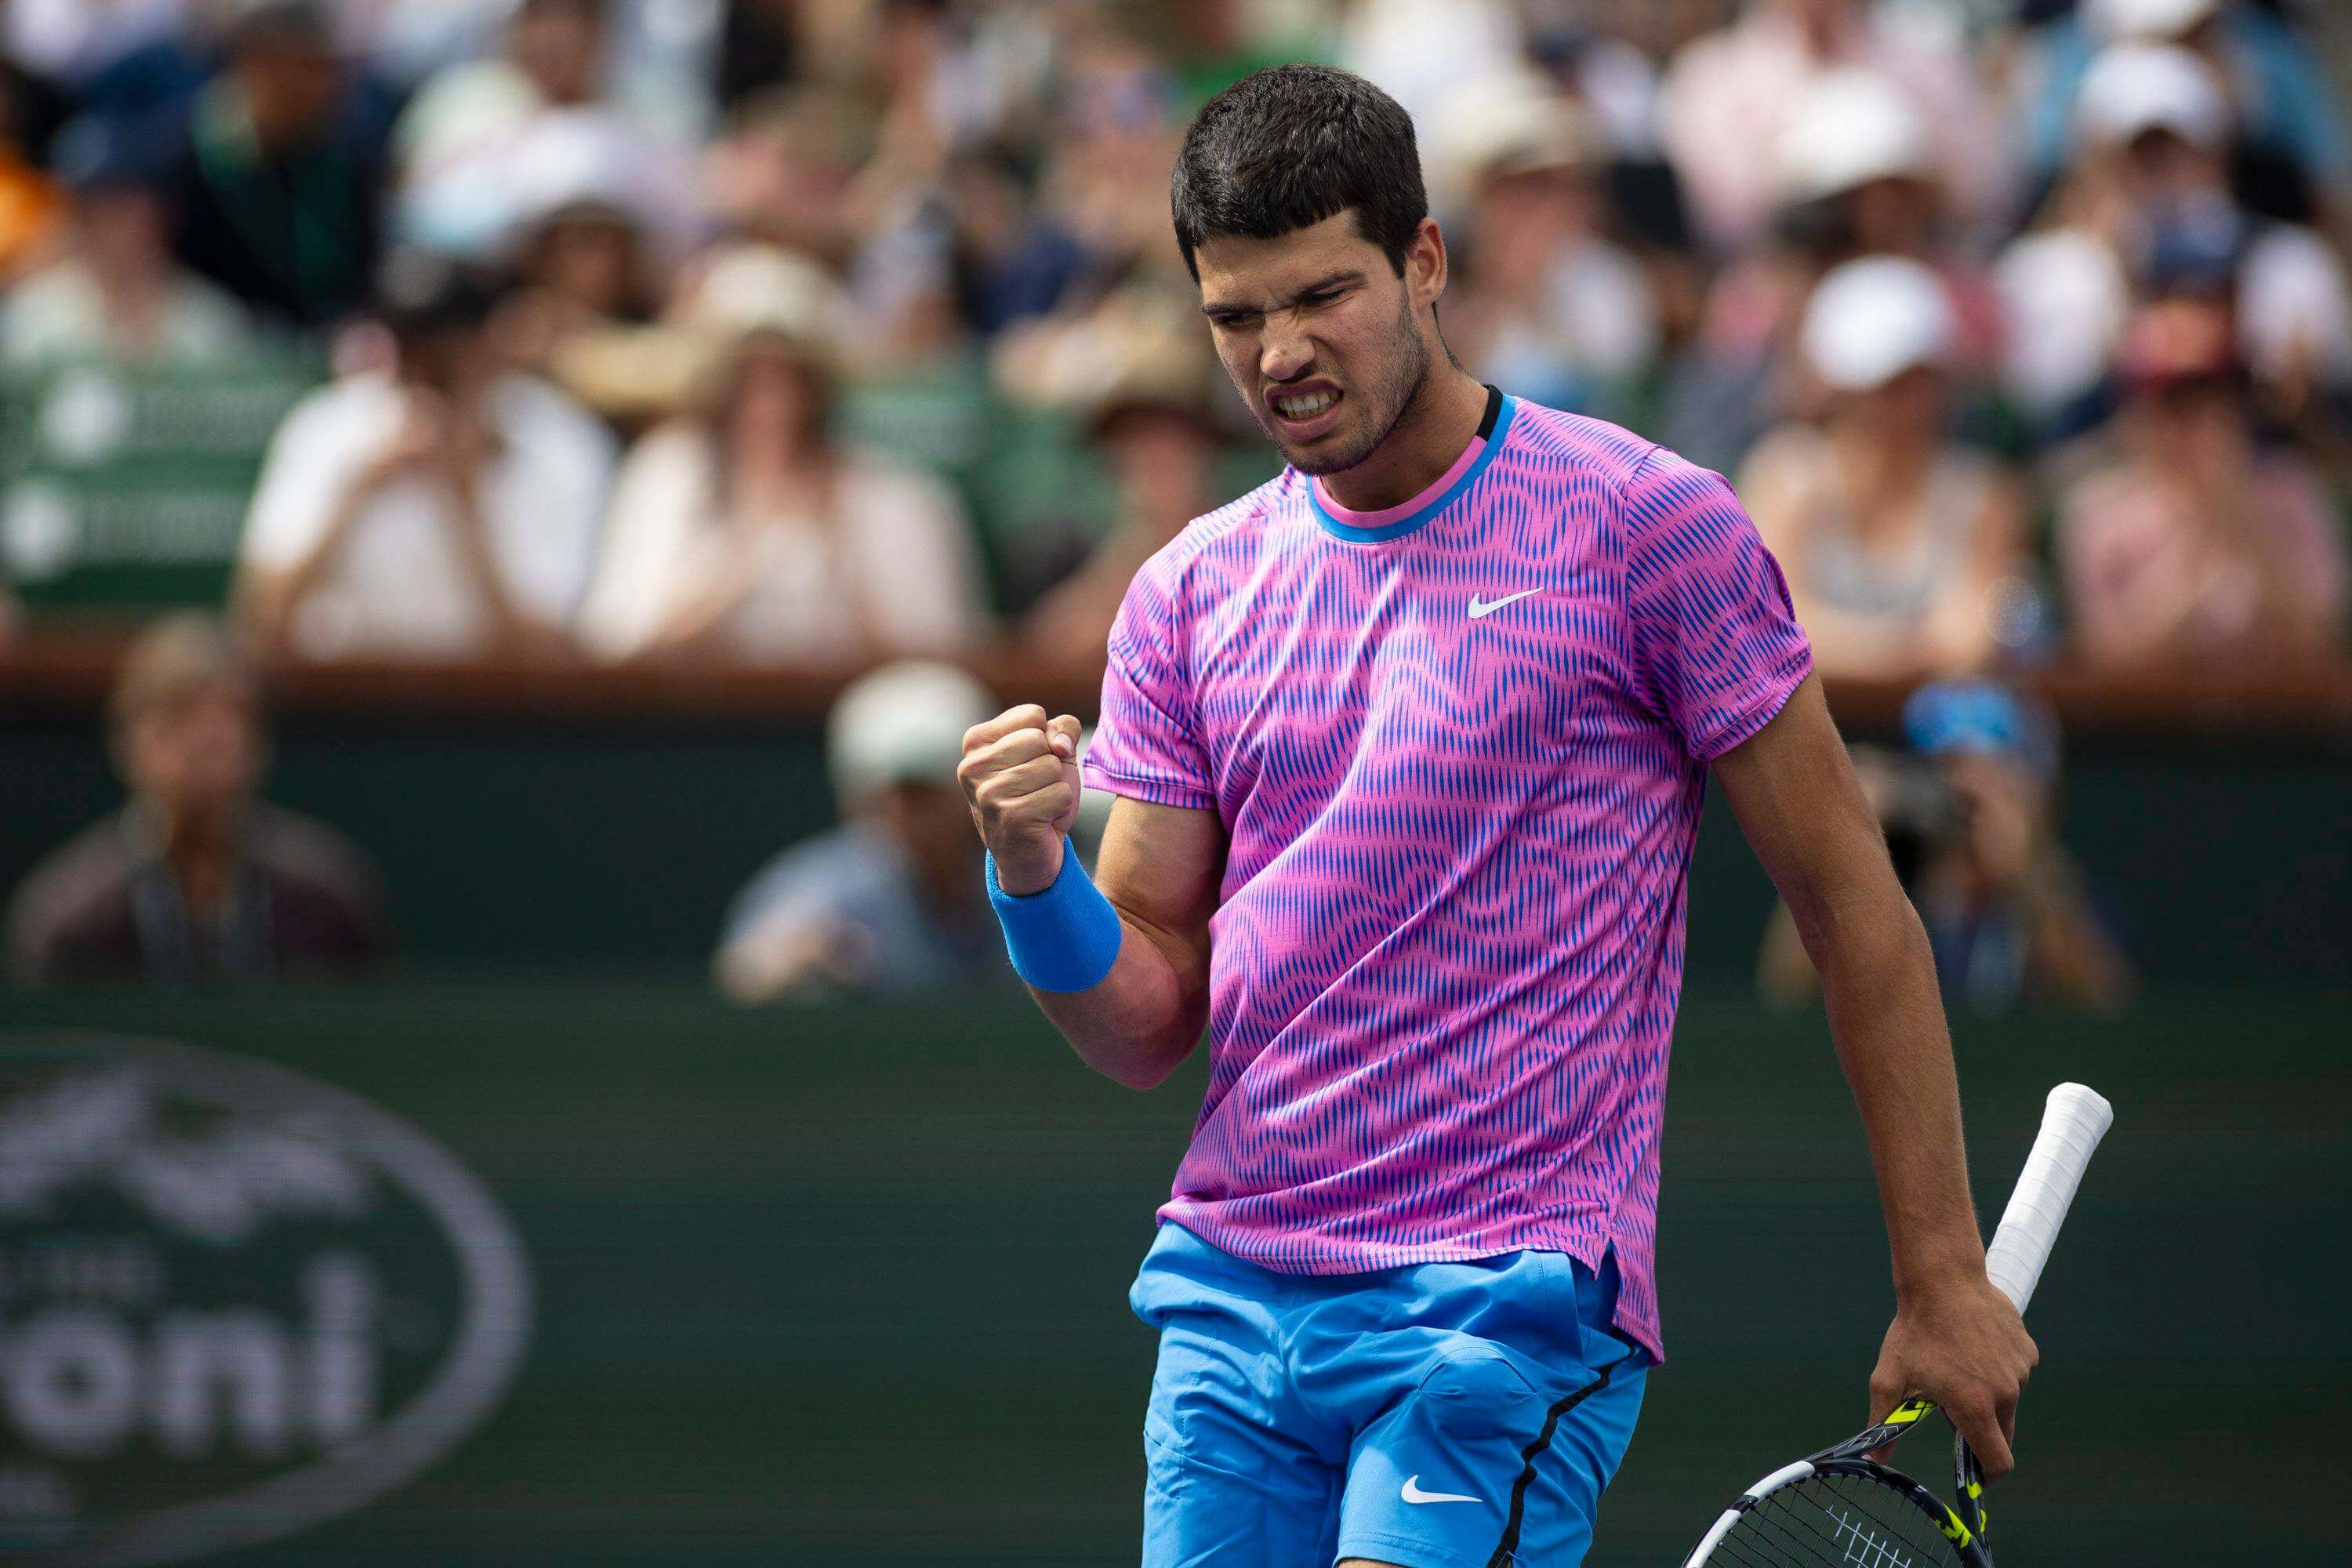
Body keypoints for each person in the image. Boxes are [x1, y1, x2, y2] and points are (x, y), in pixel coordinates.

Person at [957, 64, 2034, 1568]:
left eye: (1322, 295)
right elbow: (1144, 1016)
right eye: (1234, 316)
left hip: (1502, 1308)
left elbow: (1856, 909)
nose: (1279, 355)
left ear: (1426, 262)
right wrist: (1029, 877)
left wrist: (1941, 1275)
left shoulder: (1650, 529)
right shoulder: (1185, 595)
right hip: (1229, 1312)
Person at [576, 244, 989, 666]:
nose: (770, 403)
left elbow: (939, 667)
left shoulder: (893, 496)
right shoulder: (666, 475)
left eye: (788, 378)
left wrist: (839, 543)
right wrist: (740, 557)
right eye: (749, 378)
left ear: (819, 387)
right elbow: (617, 650)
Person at [235, 253, 614, 661]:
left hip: (501, 710)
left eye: (444, 354)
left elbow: (551, 652)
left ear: (488, 346)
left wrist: (465, 499)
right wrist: (359, 488)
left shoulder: (560, 441)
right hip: (339, 702)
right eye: (409, 350)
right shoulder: (328, 427)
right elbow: (261, 619)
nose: (423, 373)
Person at [3, 614, 391, 986]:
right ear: (127, 742)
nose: (205, 742)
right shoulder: (68, 921)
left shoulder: (330, 902)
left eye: (230, 719)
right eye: (178, 717)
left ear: (258, 742)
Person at [1759, 684, 2136, 1012]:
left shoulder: (2059, 896)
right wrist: (1842, 845)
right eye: (1946, 768)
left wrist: (2023, 877)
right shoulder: (1890, 886)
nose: (1963, 794)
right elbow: (1785, 994)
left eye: (1993, 776)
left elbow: (2106, 1009)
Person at [1740, 256, 2027, 681]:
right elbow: (1768, 631)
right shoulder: (1784, 476)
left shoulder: (1982, 493)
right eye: (1882, 386)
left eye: (1918, 381)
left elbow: (1976, 635)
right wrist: (1909, 647)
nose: (1904, 405)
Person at [2056, 296, 2347, 669]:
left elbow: (2320, 637)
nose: (2200, 422)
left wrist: (2240, 516)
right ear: (2140, 413)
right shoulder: (2098, 513)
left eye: (2216, 399)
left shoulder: (2292, 494)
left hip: (2280, 721)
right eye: (2177, 404)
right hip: (2148, 724)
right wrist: (2192, 541)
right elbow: (2107, 656)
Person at [714, 659, 1006, 1002]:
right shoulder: (822, 885)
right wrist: (799, 957)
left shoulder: (1033, 871)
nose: (901, 812)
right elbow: (746, 971)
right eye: (886, 796)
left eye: (923, 793)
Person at [165, 0, 392, 331]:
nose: (331, 84)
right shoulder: (182, 157)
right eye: (309, 65)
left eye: (334, 67)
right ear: (255, 60)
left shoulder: (351, 154)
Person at [2, 112, 253, 371]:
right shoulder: (32, 318)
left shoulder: (210, 320)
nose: (112, 223)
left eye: (128, 205)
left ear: (163, 213)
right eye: (94, 206)